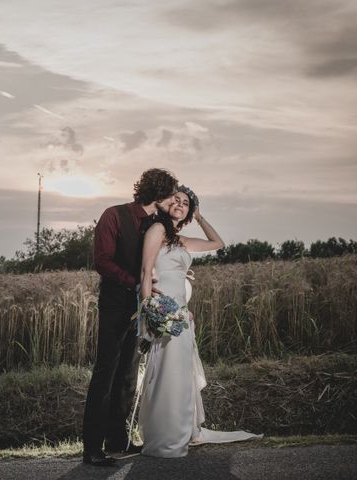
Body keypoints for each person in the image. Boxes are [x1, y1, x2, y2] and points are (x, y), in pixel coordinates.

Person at [137, 185, 262, 458]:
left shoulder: (181, 241)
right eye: (177, 200)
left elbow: (218, 244)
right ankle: (165, 437)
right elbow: (146, 272)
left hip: (182, 314)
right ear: (168, 203)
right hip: (163, 313)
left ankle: (182, 430)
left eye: (186, 203)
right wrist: (150, 310)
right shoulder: (156, 230)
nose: (180, 204)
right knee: (165, 374)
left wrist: (201, 216)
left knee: (181, 375)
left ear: (188, 213)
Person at [82, 168, 178, 467]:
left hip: (143, 308)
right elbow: (102, 261)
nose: (174, 200)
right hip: (115, 305)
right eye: (171, 194)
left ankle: (118, 440)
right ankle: (92, 449)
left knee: (127, 376)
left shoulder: (160, 225)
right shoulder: (114, 215)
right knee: (106, 374)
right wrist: (134, 281)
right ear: (159, 194)